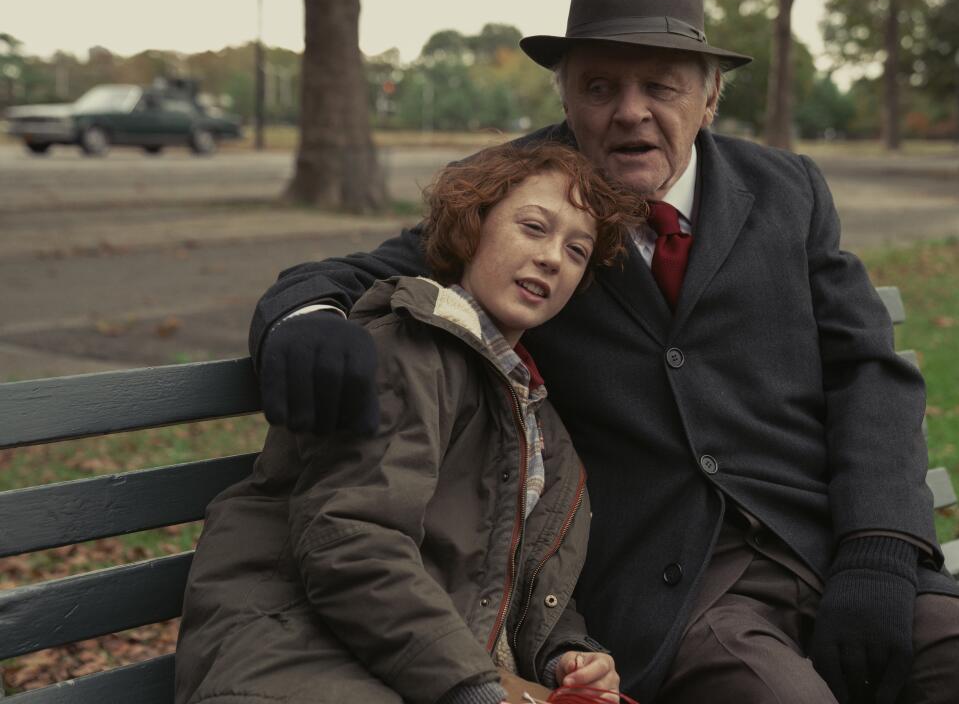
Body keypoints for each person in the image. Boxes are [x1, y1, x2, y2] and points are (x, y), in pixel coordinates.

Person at [246, 0, 959, 704]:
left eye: (661, 86)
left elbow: (869, 370)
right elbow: (352, 274)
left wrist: (879, 549)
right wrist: (306, 315)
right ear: (565, 95)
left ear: (710, 96)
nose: (630, 112)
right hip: (670, 585)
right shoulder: (519, 198)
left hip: (824, 545)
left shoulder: (788, 191)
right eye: (600, 86)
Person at [175, 143, 643, 704]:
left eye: (576, 250)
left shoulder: (536, 415)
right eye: (533, 228)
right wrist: (471, 688)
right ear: (472, 227)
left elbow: (516, 574)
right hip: (295, 656)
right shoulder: (411, 349)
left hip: (406, 666)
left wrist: (565, 654)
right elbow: (351, 542)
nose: (552, 258)